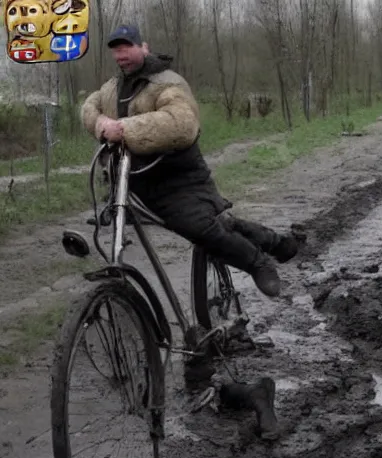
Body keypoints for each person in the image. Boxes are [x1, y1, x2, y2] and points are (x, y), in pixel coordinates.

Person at [80, 24, 302, 297]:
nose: (121, 54)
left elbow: (181, 123)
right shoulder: (113, 86)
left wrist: (124, 129)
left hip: (178, 179)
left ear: (144, 47)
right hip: (134, 182)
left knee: (202, 227)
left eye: (127, 46)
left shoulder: (166, 82)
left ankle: (257, 262)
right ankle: (279, 244)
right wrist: (100, 121)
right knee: (221, 222)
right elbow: (90, 106)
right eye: (116, 49)